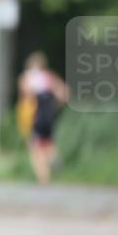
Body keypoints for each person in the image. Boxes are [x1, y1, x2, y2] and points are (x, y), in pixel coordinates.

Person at [17, 52, 69, 185]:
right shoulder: (49, 77)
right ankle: (53, 158)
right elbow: (64, 93)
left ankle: (43, 178)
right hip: (49, 113)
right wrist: (57, 106)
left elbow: (25, 94)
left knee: (35, 148)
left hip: (35, 115)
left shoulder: (27, 77)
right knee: (47, 142)